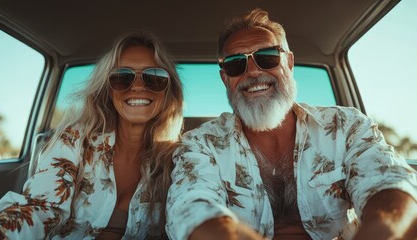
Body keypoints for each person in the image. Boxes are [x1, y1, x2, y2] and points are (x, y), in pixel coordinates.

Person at [166, 8, 417, 240]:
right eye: (235, 64)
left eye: (267, 56)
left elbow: (389, 183)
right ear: (225, 78)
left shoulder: (346, 126)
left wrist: (380, 229)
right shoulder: (200, 144)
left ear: (289, 62)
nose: (252, 72)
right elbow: (191, 208)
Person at [0, 31, 183, 239]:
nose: (137, 86)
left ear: (168, 90)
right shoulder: (73, 141)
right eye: (122, 77)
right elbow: (41, 206)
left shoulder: (180, 160)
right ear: (108, 89)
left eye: (154, 77)